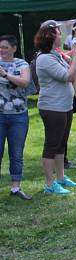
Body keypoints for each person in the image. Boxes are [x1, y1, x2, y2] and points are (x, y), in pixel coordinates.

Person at [34, 20, 76, 194]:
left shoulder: (54, 54)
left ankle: (60, 178)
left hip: (64, 106)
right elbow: (69, 76)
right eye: (58, 33)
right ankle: (50, 184)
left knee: (61, 144)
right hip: (52, 108)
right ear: (51, 37)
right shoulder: (44, 59)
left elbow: (69, 63)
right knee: (52, 145)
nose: (61, 36)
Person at [0, 35, 32, 199]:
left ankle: (15, 188)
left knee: (16, 153)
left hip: (18, 116)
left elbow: (25, 82)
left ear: (14, 48)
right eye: (0, 47)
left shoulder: (21, 64)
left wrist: (5, 75)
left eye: (5, 47)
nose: (2, 50)